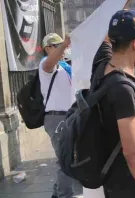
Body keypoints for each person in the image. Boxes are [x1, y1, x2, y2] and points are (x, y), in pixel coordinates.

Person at [91, 9, 135, 198]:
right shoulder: (125, 90)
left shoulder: (101, 65)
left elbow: (106, 38)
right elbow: (131, 153)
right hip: (129, 186)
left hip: (115, 183)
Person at [39, 33, 73, 198]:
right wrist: (65, 44)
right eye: (57, 45)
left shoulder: (65, 67)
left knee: (67, 159)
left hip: (68, 116)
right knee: (65, 161)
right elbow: (48, 64)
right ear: (47, 48)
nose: (63, 48)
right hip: (56, 118)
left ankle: (57, 193)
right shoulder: (45, 65)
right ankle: (64, 195)